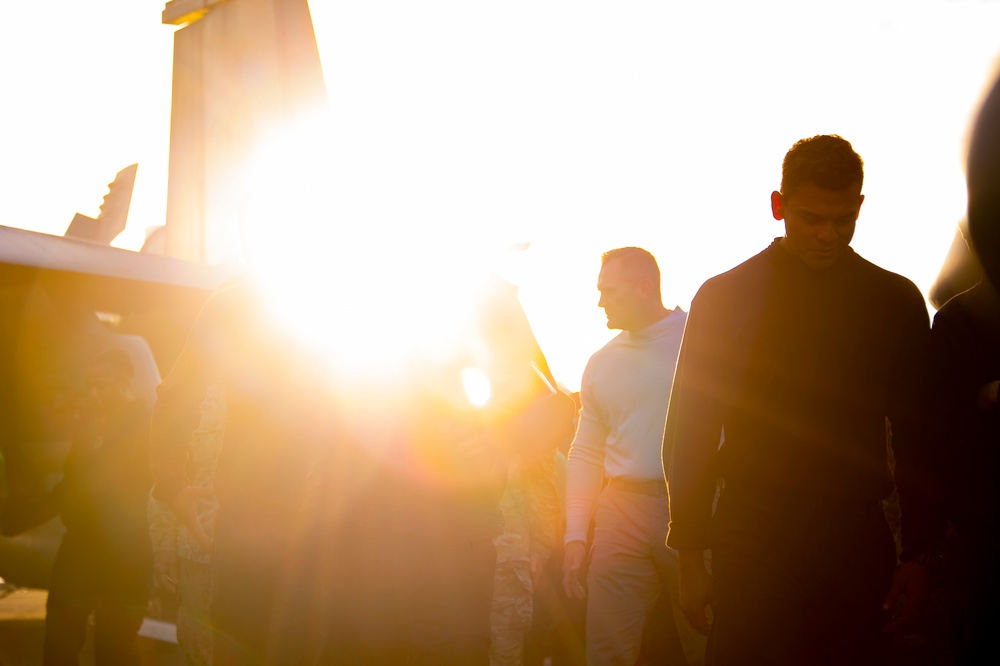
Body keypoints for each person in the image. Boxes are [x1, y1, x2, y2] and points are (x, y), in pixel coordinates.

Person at [664, 135, 944, 665]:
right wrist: (689, 555)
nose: (827, 235)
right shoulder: (727, 296)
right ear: (778, 206)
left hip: (853, 531)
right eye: (811, 218)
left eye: (842, 220)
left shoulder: (894, 301)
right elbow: (692, 425)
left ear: (860, 207)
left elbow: (918, 436)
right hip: (754, 526)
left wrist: (919, 554)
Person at [150, 278, 334, 665]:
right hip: (268, 528)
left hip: (335, 532)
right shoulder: (240, 303)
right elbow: (174, 395)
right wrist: (171, 484)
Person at [564, 247, 704, 666]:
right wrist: (575, 535)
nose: (600, 301)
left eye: (608, 291)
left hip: (692, 507)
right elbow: (585, 452)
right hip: (619, 512)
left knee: (709, 640)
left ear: (644, 289)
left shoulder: (700, 340)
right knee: (606, 652)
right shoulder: (601, 363)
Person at [42, 348, 153, 666]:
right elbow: (71, 482)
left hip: (126, 556)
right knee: (59, 645)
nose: (94, 392)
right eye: (91, 384)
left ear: (124, 380)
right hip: (78, 549)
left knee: (115, 650)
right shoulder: (90, 426)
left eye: (101, 384)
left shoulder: (146, 425)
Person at [147, 383, 225, 666]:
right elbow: (165, 480)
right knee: (201, 645)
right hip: (198, 548)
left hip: (262, 551)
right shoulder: (191, 388)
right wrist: (164, 545)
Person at [490, 449, 562, 666]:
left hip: (508, 565)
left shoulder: (528, 441)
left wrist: (539, 551)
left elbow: (545, 499)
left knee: (504, 652)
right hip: (456, 561)